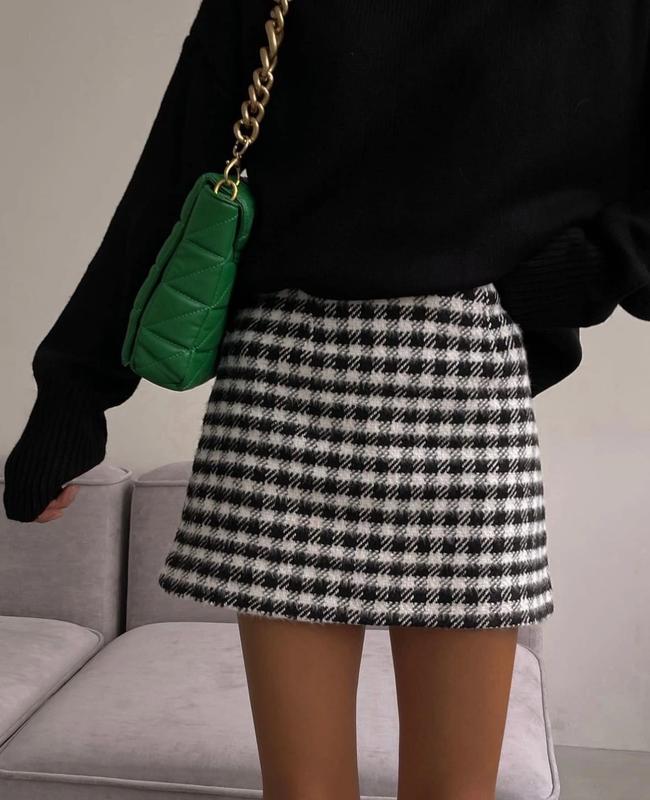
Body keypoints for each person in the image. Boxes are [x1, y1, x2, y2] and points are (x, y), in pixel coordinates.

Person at [4, 2, 650, 798]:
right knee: (303, 791)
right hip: (283, 375)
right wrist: (73, 392)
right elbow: (174, 173)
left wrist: (591, 270)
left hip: (467, 376)